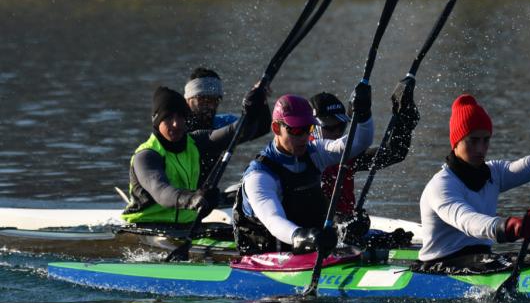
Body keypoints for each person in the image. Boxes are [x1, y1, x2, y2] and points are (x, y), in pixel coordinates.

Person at [415, 92, 530, 271]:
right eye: (473, 140)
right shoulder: (441, 186)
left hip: (480, 259)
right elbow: (468, 221)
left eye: (486, 140)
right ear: (455, 143)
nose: (481, 149)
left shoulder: (494, 173)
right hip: (439, 266)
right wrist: (508, 228)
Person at [233, 84, 374, 255]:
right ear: (276, 128)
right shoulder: (260, 175)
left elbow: (358, 143)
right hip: (264, 252)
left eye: (308, 129)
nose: (303, 137)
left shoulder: (314, 152)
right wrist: (301, 236)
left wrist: (364, 115)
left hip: (307, 243)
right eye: (296, 130)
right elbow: (273, 220)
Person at [121, 85, 270, 226]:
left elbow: (240, 131)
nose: (176, 124)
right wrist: (193, 199)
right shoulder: (147, 156)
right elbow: (162, 193)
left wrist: (255, 106)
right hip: (148, 226)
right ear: (156, 120)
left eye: (181, 117)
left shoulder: (196, 141)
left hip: (186, 226)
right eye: (168, 118)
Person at [311, 76, 420, 218]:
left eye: (341, 126)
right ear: (312, 128)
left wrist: (404, 119)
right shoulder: (304, 156)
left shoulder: (346, 154)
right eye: (331, 127)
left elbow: (395, 153)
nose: (338, 132)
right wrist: (341, 223)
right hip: (314, 231)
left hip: (341, 231)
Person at [183, 67, 238, 131]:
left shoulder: (226, 122)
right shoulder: (176, 129)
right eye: (203, 100)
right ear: (187, 101)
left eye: (215, 100)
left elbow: (249, 124)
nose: (211, 106)